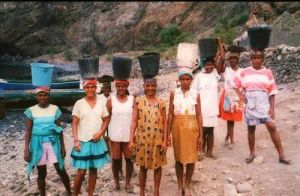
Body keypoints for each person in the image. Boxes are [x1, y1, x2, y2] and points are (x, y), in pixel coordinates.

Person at [232, 50, 291, 165]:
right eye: (254, 58)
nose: (256, 60)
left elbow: (272, 91)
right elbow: (234, 83)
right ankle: (252, 153)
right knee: (251, 129)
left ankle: (281, 155)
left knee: (272, 127)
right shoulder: (245, 72)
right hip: (250, 104)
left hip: (264, 103)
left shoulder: (267, 72)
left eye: (258, 57)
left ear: (262, 59)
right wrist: (241, 95)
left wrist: (272, 108)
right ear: (251, 59)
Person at [24, 86, 71, 196]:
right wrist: (26, 149)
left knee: (61, 169)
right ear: (36, 97)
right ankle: (42, 194)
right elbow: (28, 131)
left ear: (48, 96)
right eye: (40, 95)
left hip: (53, 142)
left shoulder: (55, 109)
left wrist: (63, 147)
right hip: (37, 143)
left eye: (45, 95)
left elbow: (59, 130)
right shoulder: (31, 110)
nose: (42, 97)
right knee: (42, 172)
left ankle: (70, 192)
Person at [129, 77, 168, 196]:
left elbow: (165, 122)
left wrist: (165, 140)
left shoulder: (161, 102)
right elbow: (134, 121)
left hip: (157, 139)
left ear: (156, 86)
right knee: (143, 167)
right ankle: (142, 192)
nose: (150, 88)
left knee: (158, 166)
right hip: (142, 140)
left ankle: (156, 191)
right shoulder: (138, 101)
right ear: (144, 87)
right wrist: (131, 139)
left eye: (152, 86)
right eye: (148, 86)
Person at [71, 79, 110, 196]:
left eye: (92, 87)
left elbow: (106, 119)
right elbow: (74, 123)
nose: (90, 89)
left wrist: (101, 132)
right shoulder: (79, 103)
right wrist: (76, 140)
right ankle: (75, 194)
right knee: (81, 171)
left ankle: (90, 194)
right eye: (87, 87)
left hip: (96, 141)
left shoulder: (101, 103)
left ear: (96, 88)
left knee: (93, 169)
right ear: (84, 89)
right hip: (83, 141)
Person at [167, 70, 203, 196]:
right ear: (179, 80)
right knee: (178, 159)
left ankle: (186, 186)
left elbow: (199, 115)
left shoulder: (196, 94)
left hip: (192, 127)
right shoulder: (174, 93)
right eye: (183, 79)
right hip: (177, 128)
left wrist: (201, 136)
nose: (185, 81)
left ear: (191, 80)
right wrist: (167, 135)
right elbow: (171, 114)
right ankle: (179, 186)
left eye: (188, 79)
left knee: (191, 158)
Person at [191, 39, 225, 159]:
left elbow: (222, 59)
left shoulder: (215, 74)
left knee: (210, 131)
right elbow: (193, 93)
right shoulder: (199, 77)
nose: (209, 67)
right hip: (202, 109)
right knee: (202, 130)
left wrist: (219, 45)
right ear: (203, 65)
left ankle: (209, 152)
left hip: (212, 108)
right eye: (207, 65)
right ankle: (201, 151)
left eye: (211, 65)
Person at [106, 79, 134, 192]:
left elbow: (135, 119)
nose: (121, 88)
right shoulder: (111, 100)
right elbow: (106, 118)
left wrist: (133, 136)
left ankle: (127, 182)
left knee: (129, 159)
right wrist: (105, 134)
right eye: (119, 86)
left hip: (128, 134)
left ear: (126, 86)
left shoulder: (132, 100)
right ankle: (116, 182)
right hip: (114, 134)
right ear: (116, 87)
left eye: (123, 86)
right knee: (116, 159)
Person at [219, 47, 245, 149]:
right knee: (230, 120)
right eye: (231, 58)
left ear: (238, 59)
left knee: (232, 119)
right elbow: (221, 62)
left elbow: (244, 84)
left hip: (237, 96)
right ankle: (232, 140)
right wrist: (223, 52)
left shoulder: (242, 71)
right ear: (229, 60)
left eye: (235, 58)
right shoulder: (226, 70)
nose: (233, 60)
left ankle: (227, 137)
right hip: (228, 96)